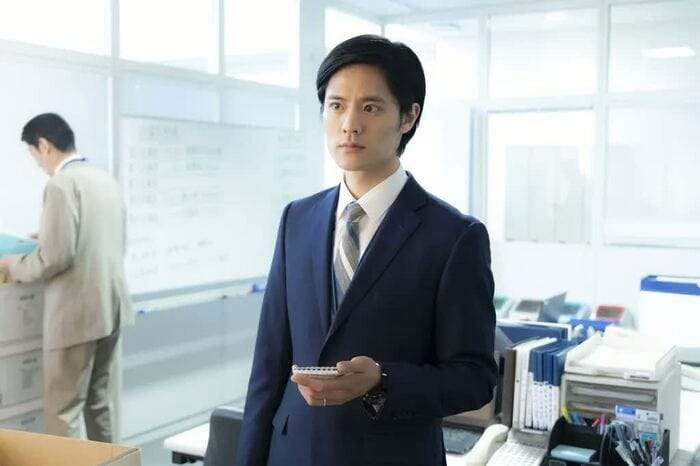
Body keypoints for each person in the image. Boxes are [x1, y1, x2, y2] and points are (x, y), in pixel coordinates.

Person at [236, 35, 497, 466]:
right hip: (293, 452)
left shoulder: (454, 236)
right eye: (337, 106)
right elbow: (267, 367)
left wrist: (382, 381)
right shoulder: (297, 220)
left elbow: (474, 378)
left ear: (408, 116)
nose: (349, 124)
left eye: (370, 108)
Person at [0, 113, 133, 442]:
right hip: (111, 308)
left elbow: (55, 258)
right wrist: (47, 236)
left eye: (34, 155)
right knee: (101, 405)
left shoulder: (60, 184)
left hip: (76, 314)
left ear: (44, 145)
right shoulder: (104, 180)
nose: (38, 164)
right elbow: (100, 240)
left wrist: (12, 265)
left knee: (63, 410)